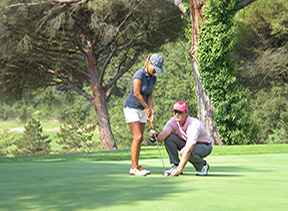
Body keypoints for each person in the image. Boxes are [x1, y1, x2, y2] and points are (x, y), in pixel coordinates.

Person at [124, 53, 164, 176]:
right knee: (138, 137)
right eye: (155, 68)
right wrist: (146, 107)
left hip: (143, 109)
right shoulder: (139, 74)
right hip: (132, 108)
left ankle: (137, 165)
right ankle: (133, 168)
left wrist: (151, 109)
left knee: (140, 139)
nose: (156, 72)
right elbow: (137, 93)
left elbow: (149, 95)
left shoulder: (153, 78)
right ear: (149, 63)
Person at [149, 101, 212, 177]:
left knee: (185, 152)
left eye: (180, 112)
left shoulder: (193, 125)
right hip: (187, 142)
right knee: (169, 137)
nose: (177, 114)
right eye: (175, 112)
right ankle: (175, 164)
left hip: (205, 146)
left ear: (186, 113)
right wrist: (154, 135)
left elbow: (188, 150)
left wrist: (180, 169)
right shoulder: (173, 121)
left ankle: (202, 166)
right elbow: (161, 137)